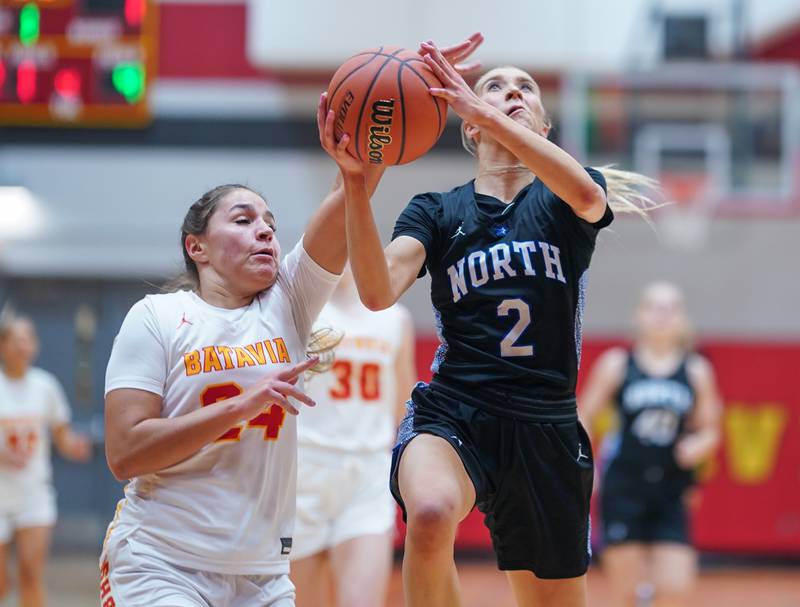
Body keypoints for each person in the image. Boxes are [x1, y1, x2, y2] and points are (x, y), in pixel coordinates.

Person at [320, 34, 657, 607]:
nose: (512, 92)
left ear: (543, 130)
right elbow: (376, 292)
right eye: (495, 87)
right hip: (456, 409)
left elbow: (580, 190)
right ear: (469, 128)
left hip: (544, 422)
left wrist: (486, 109)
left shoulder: (566, 196)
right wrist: (355, 185)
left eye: (525, 87)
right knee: (428, 513)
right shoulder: (435, 210)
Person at [98, 91, 393, 606]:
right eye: (242, 220)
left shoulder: (288, 302)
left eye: (271, 225)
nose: (264, 231)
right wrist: (239, 406)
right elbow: (125, 454)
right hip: (161, 562)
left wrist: (384, 114)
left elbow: (351, 196)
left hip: (262, 575)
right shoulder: (156, 318)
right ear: (197, 246)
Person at [579, 282, 722, 607]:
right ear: (639, 315)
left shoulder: (696, 369)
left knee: (675, 585)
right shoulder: (617, 364)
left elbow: (711, 428)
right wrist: (588, 466)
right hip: (624, 485)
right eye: (654, 307)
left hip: (671, 487)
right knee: (627, 591)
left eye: (670, 308)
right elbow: (583, 417)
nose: (662, 315)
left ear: (682, 318)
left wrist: (699, 444)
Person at [290, 267, 416, 607]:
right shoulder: (297, 311)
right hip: (303, 471)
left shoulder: (395, 319)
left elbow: (404, 404)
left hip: (367, 475)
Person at [0, 311, 92, 607]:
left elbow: (61, 435)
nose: (22, 346)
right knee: (1, 582)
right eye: (16, 340)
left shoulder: (45, 386)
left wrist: (74, 447)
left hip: (33, 493)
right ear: (2, 345)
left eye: (28, 339)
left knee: (31, 573)